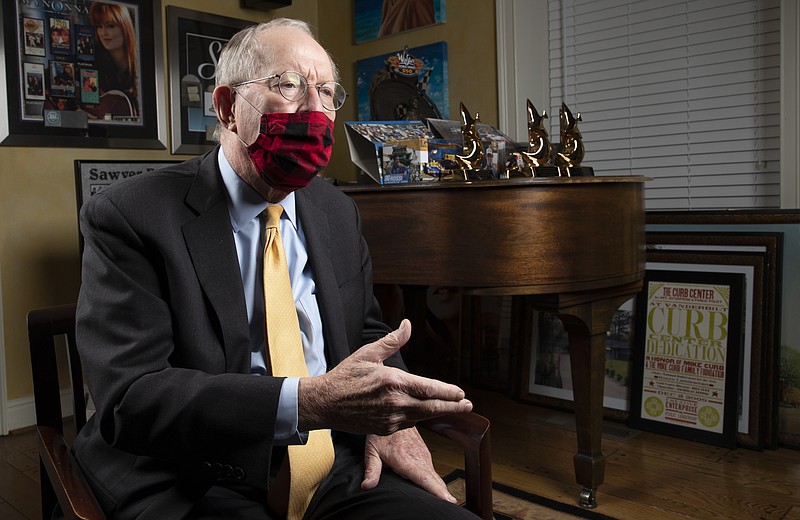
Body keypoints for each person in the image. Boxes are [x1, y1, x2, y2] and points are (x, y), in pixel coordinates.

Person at [74, 17, 478, 520]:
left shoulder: (335, 209)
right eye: (287, 85)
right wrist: (306, 402)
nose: (315, 109)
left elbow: (367, 334)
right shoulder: (130, 214)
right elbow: (131, 398)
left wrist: (389, 421)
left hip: (332, 458)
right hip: (187, 473)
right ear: (227, 107)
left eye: (327, 93)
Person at [87, 1, 139, 117]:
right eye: (99, 26)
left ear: (125, 27)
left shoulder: (141, 67)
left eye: (110, 26)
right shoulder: (92, 62)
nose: (103, 33)